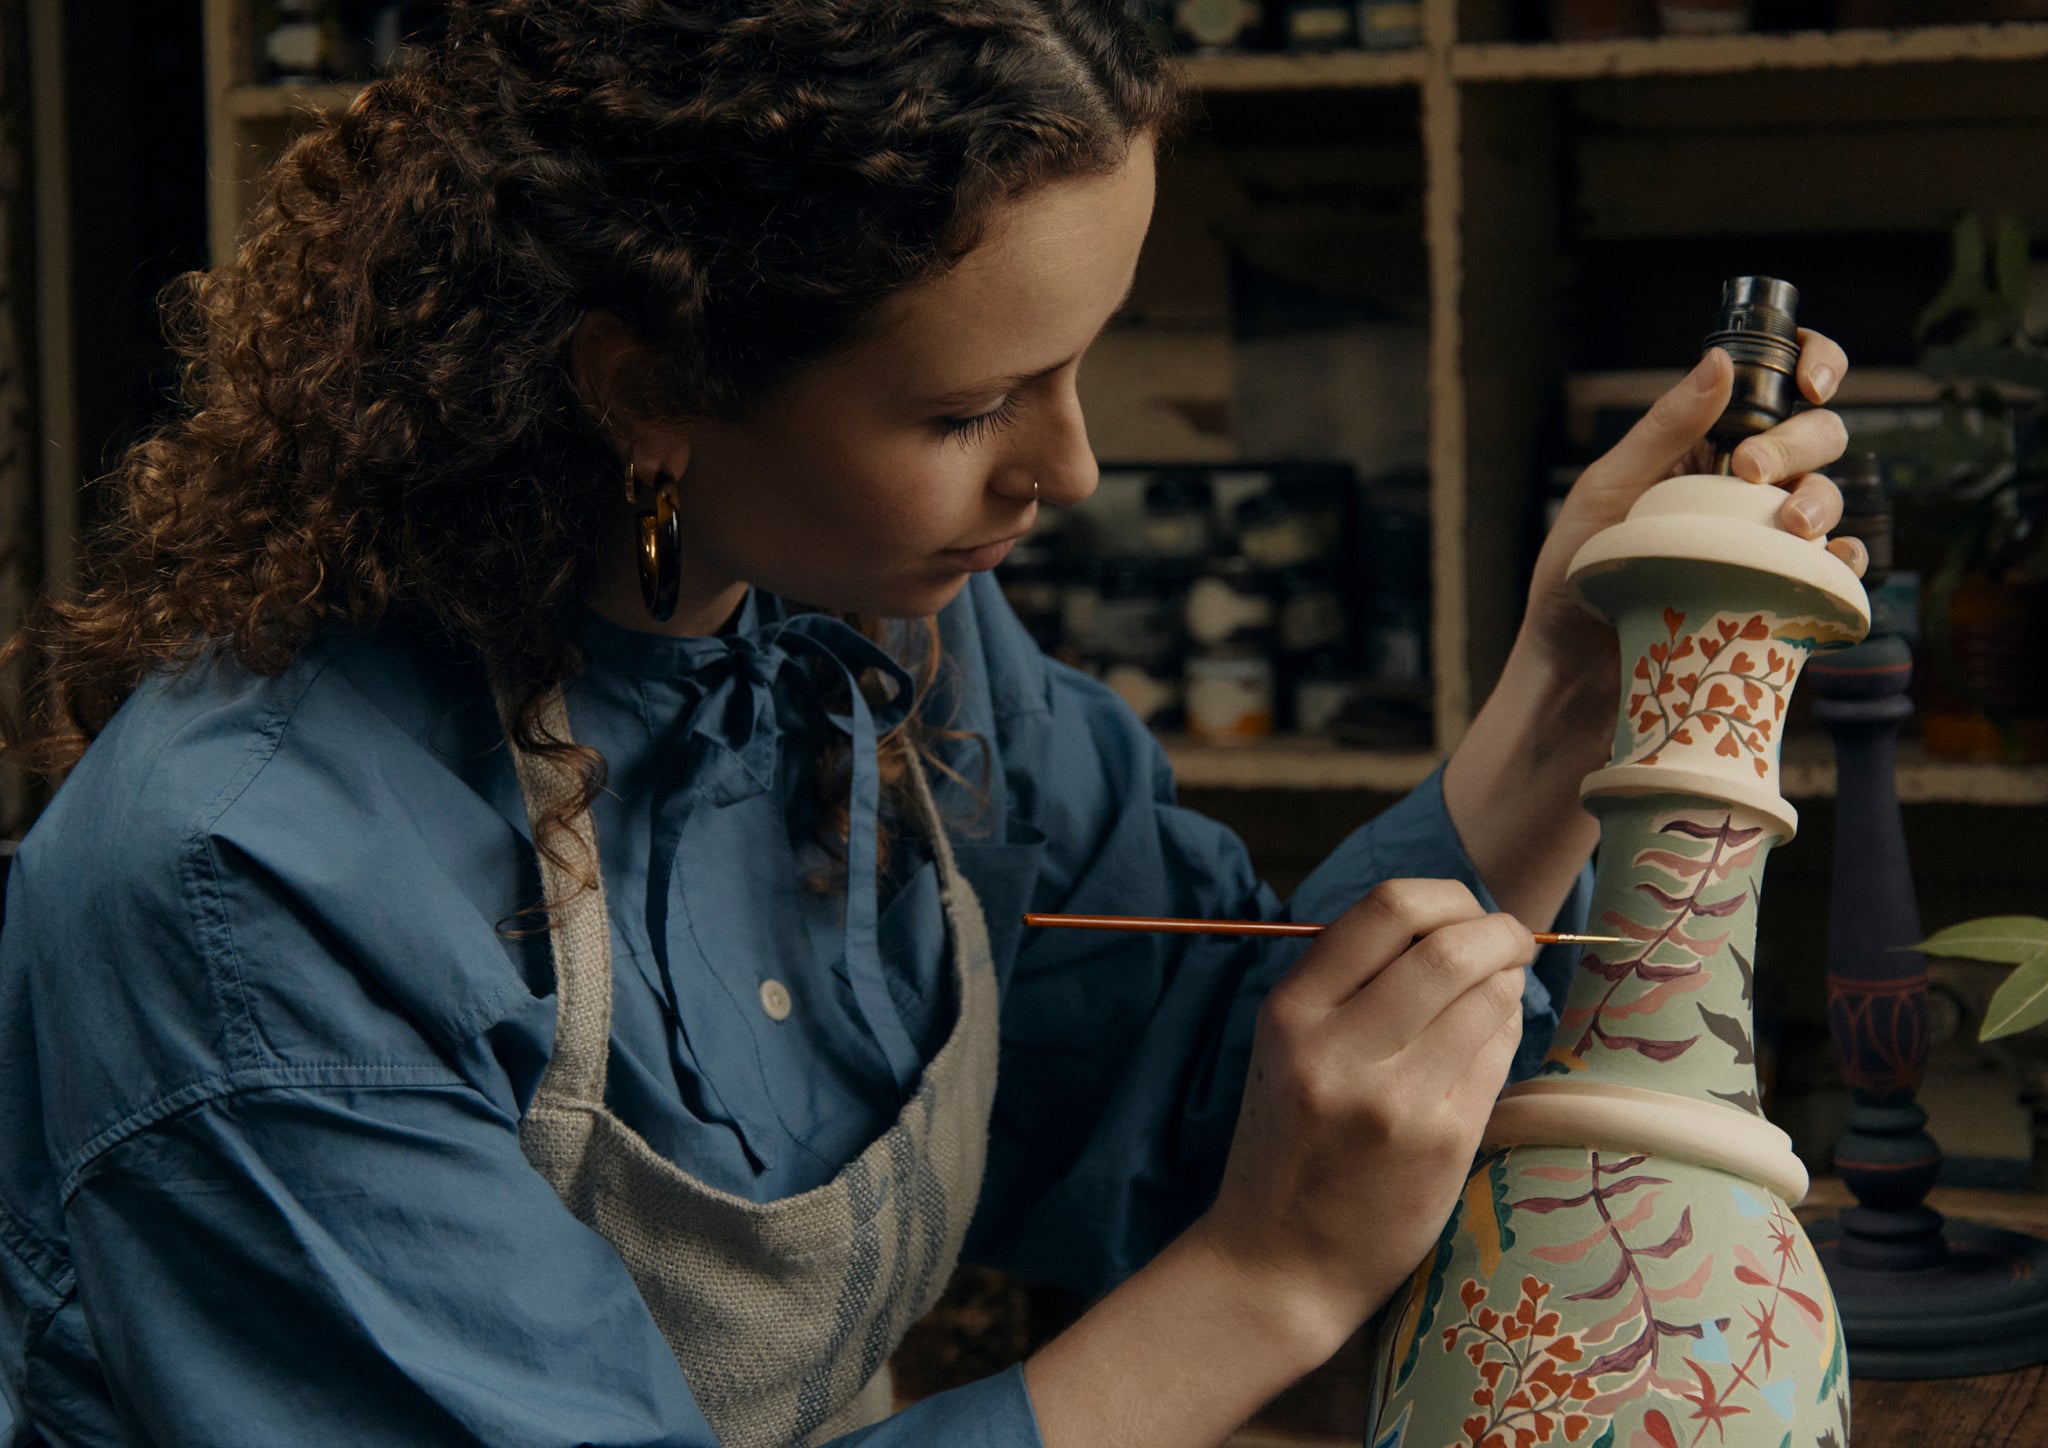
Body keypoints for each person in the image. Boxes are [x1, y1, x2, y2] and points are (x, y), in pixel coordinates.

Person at [0, 3, 1864, 1445]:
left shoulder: (876, 651)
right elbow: (1266, 1215)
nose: (1074, 465)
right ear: (650, 384)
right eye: (975, 408)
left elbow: (1204, 1079)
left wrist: (1564, 682)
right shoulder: (254, 891)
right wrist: (1269, 1287)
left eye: (1082, 363)